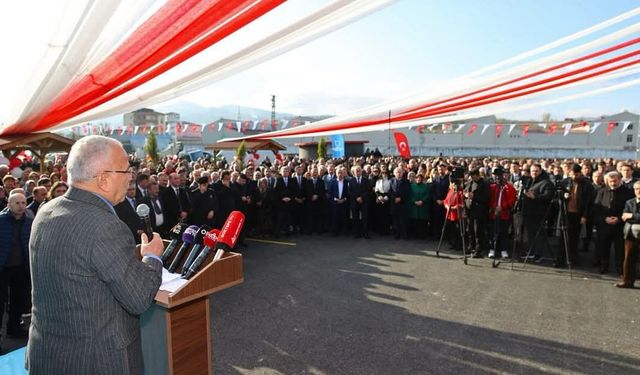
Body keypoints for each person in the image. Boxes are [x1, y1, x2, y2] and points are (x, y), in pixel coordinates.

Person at [26, 135, 164, 374]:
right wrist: (152, 257)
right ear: (103, 179)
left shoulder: (47, 211)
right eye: (126, 170)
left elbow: (79, 264)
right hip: (96, 362)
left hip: (49, 355)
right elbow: (139, 298)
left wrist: (131, 254)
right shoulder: (106, 225)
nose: (131, 176)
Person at [0, 193, 33, 351]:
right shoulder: (1, 220)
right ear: (9, 204)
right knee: (1, 302)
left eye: (23, 202)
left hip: (21, 266)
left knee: (18, 300)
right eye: (17, 203)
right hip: (3, 267)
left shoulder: (29, 221)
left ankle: (14, 328)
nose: (21, 205)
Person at [592, 171, 634, 275]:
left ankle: (620, 269)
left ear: (620, 180)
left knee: (619, 249)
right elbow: (597, 208)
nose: (612, 183)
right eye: (610, 181)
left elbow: (629, 209)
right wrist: (605, 219)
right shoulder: (602, 191)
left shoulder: (628, 192)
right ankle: (603, 266)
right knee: (603, 247)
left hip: (620, 225)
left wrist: (619, 218)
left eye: (615, 181)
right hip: (604, 224)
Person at [521, 163, 554, 260]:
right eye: (532, 171)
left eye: (536, 171)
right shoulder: (530, 181)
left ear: (540, 171)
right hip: (528, 212)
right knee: (530, 234)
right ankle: (531, 252)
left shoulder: (546, 182)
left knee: (539, 234)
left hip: (538, 213)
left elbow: (548, 196)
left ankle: (538, 254)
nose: (534, 173)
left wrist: (535, 197)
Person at [619, 180, 640, 288]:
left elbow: (629, 216)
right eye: (636, 189)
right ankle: (627, 281)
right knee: (629, 258)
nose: (638, 191)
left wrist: (631, 216)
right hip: (631, 233)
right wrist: (632, 217)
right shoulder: (629, 202)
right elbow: (624, 216)